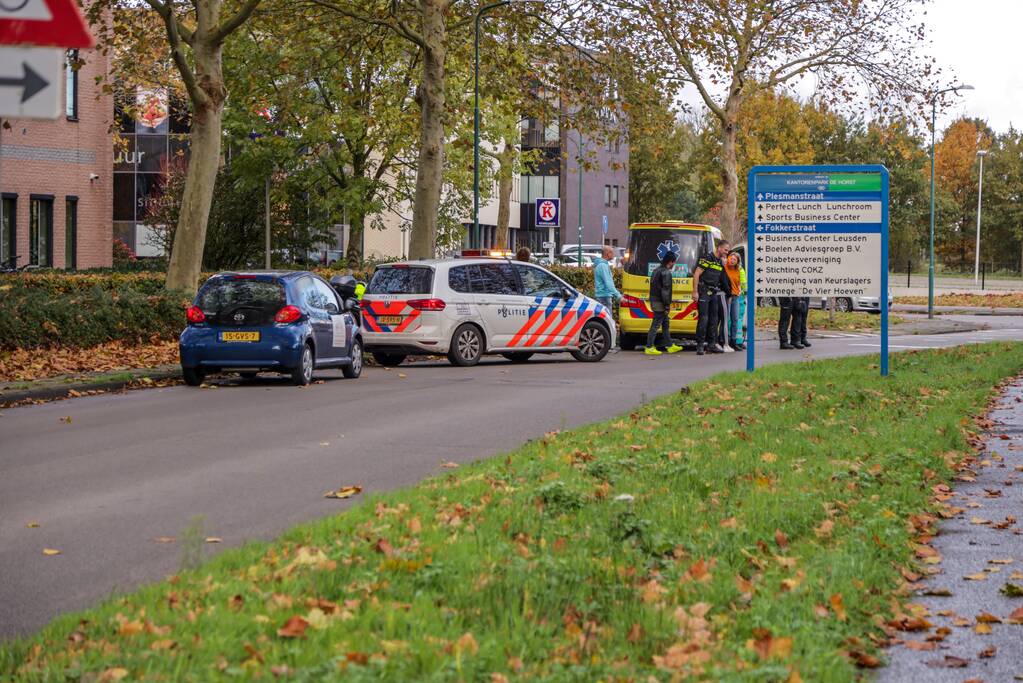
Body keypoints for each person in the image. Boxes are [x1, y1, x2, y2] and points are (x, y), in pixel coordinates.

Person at [693, 239, 729, 355]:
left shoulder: (720, 262)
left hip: (714, 293)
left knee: (714, 319)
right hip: (703, 291)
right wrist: (695, 292)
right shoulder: (707, 257)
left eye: (728, 251)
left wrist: (724, 266)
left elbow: (723, 278)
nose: (727, 253)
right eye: (725, 250)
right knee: (704, 319)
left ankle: (711, 345)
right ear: (719, 248)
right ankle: (700, 345)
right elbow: (696, 274)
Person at [645, 252, 682, 355]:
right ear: (670, 262)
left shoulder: (656, 270)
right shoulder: (666, 273)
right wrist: (667, 305)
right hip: (660, 303)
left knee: (665, 324)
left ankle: (669, 345)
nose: (674, 264)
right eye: (674, 262)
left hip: (655, 300)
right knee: (656, 324)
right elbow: (665, 291)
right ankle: (649, 347)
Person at [723, 251, 746, 350]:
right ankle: (725, 341)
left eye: (734, 260)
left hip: (736, 296)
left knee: (735, 319)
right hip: (727, 296)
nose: (732, 261)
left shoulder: (738, 270)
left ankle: (733, 341)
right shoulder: (724, 268)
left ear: (737, 262)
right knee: (726, 319)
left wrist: (742, 291)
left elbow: (740, 283)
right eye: (731, 258)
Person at [593, 245, 622, 311]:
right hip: (604, 297)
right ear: (607, 254)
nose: (613, 254)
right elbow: (609, 284)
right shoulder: (603, 266)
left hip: (601, 296)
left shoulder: (601, 264)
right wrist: (619, 296)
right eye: (611, 252)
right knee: (607, 320)